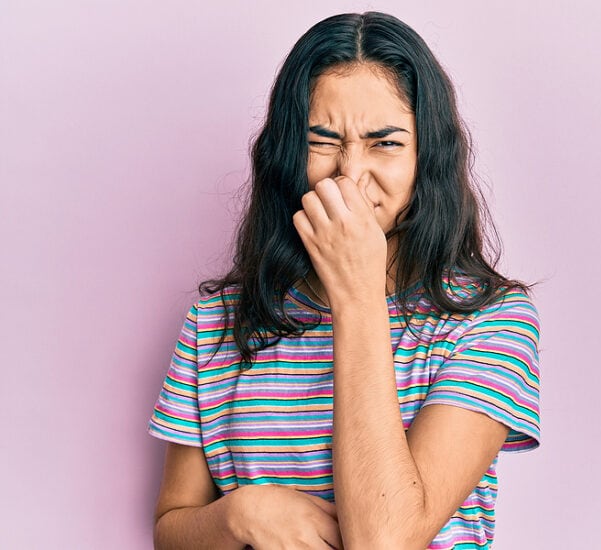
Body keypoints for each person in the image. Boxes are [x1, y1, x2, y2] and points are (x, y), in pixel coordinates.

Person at [148, 11, 540, 550]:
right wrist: (240, 513)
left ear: (429, 157)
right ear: (289, 153)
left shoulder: (491, 320)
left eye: (386, 143)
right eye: (323, 141)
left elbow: (387, 540)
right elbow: (171, 530)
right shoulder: (216, 320)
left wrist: (356, 299)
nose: (350, 173)